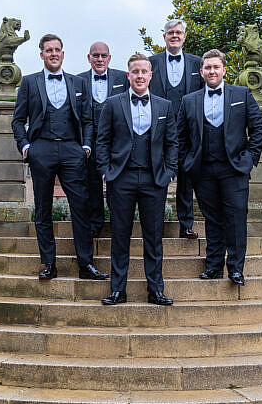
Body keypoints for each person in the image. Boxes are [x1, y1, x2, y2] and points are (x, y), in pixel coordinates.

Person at [11, 33, 108, 281]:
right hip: (40, 150)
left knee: (81, 207)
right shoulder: (30, 83)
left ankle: (86, 265)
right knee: (42, 209)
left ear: (63, 54)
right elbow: (18, 120)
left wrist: (85, 146)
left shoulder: (78, 83)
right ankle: (49, 264)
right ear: (41, 54)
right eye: (48, 50)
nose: (53, 54)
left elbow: (87, 119)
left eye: (57, 50)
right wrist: (26, 147)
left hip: (71, 151)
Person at [95, 53, 178, 306]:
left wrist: (169, 171)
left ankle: (156, 290)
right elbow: (102, 141)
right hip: (122, 178)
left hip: (155, 180)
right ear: (128, 75)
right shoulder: (112, 103)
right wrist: (106, 171)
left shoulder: (165, 106)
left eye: (144, 71)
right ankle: (118, 290)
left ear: (150, 75)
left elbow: (172, 142)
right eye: (135, 72)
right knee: (120, 236)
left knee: (154, 238)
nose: (140, 76)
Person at [179, 49, 262, 286]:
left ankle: (236, 269)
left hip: (234, 169)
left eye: (216, 67)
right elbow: (181, 138)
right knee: (212, 219)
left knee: (236, 219)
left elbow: (258, 131)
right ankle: (214, 266)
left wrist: (247, 161)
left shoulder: (242, 94)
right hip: (203, 171)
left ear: (224, 70)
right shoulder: (189, 101)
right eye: (208, 68)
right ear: (201, 72)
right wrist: (188, 163)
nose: (212, 71)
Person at [148, 19, 203, 239]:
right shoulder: (151, 63)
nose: (174, 36)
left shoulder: (197, 63)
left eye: (178, 32)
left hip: (187, 132)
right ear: (164, 37)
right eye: (170, 32)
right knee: (157, 178)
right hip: (158, 132)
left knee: (186, 180)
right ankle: (155, 225)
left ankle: (186, 225)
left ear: (184, 36)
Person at [77, 41, 128, 237]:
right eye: (95, 55)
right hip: (89, 141)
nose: (99, 59)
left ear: (109, 58)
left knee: (117, 183)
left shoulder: (123, 78)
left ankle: (119, 224)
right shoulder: (78, 80)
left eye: (103, 55)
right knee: (92, 183)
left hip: (115, 142)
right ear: (89, 58)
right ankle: (94, 225)